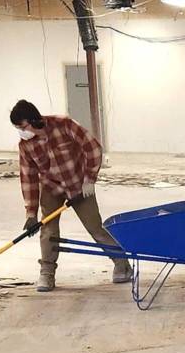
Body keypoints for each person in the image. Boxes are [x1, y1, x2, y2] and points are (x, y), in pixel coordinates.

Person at [10, 99, 132, 292]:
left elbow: (93, 148)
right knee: (48, 230)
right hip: (51, 187)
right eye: (17, 128)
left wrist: (90, 179)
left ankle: (122, 264)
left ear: (34, 119)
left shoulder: (64, 125)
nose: (21, 131)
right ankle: (47, 273)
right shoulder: (26, 146)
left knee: (95, 227)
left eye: (22, 126)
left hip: (79, 185)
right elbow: (28, 178)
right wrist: (30, 213)